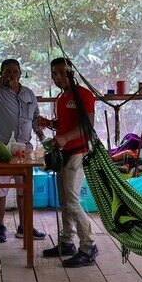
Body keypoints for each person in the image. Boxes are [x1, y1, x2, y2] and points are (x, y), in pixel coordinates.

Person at [0, 58, 46, 243]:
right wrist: (0, 81)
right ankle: (0, 226)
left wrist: (42, 136)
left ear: (21, 74)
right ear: (1, 73)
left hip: (24, 149)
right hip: (2, 149)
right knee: (0, 188)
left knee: (24, 188)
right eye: (7, 71)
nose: (11, 75)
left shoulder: (29, 94)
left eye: (14, 72)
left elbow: (35, 117)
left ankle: (24, 226)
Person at [38, 57, 98, 267]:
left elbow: (87, 128)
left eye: (62, 72)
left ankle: (88, 246)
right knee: (64, 201)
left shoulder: (83, 95)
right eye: (54, 73)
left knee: (72, 201)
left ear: (71, 72)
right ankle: (66, 242)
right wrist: (49, 124)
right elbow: (63, 125)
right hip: (63, 153)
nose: (58, 77)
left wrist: (63, 138)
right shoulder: (62, 98)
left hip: (78, 153)